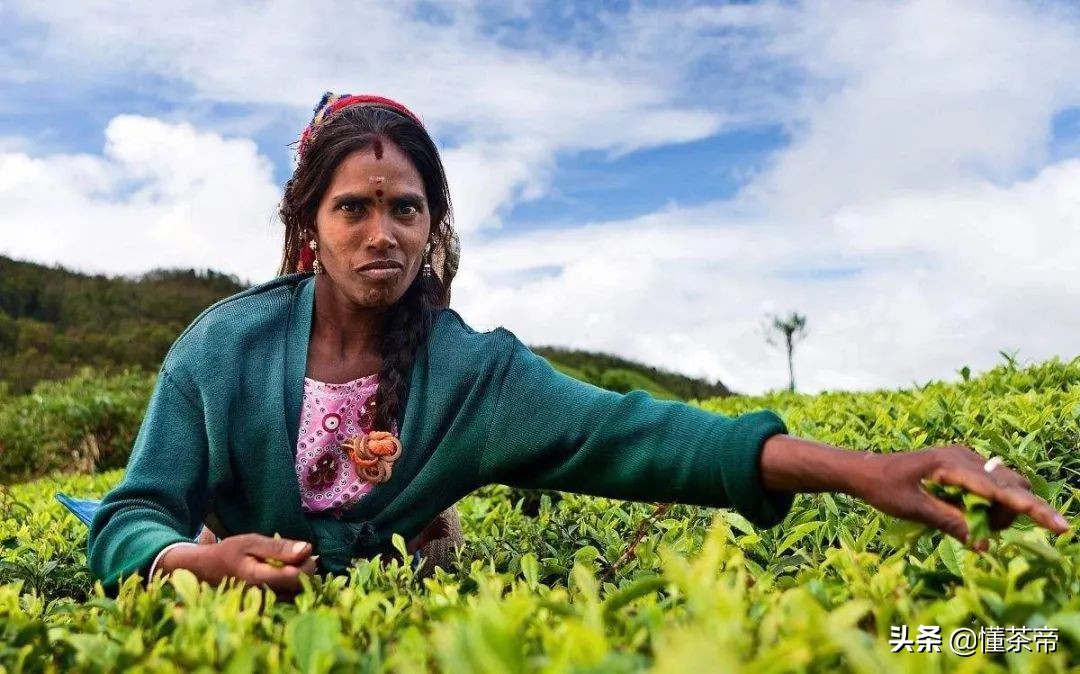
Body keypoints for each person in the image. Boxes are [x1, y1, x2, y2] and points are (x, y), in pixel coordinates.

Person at [86, 92, 1069, 598]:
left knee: (436, 547)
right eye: (355, 207)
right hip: (230, 577)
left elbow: (650, 438)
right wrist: (185, 562)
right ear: (310, 221)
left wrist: (870, 469)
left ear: (433, 224)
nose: (381, 232)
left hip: (396, 585)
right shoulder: (223, 351)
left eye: (406, 208)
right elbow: (133, 511)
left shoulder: (476, 374)